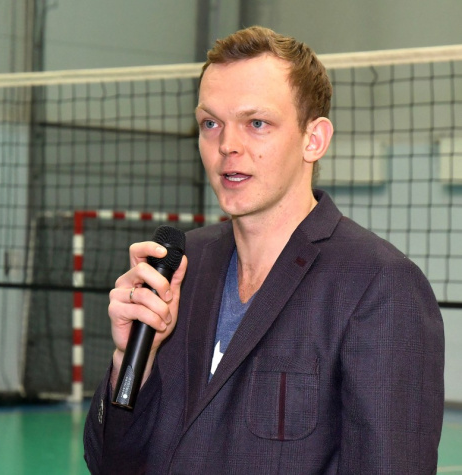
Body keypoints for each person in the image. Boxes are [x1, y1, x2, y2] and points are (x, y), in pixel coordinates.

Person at [84, 26, 444, 474]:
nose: (227, 146)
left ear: (314, 139)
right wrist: (131, 360)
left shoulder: (378, 284)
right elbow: (109, 462)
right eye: (210, 123)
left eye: (257, 123)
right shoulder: (179, 267)